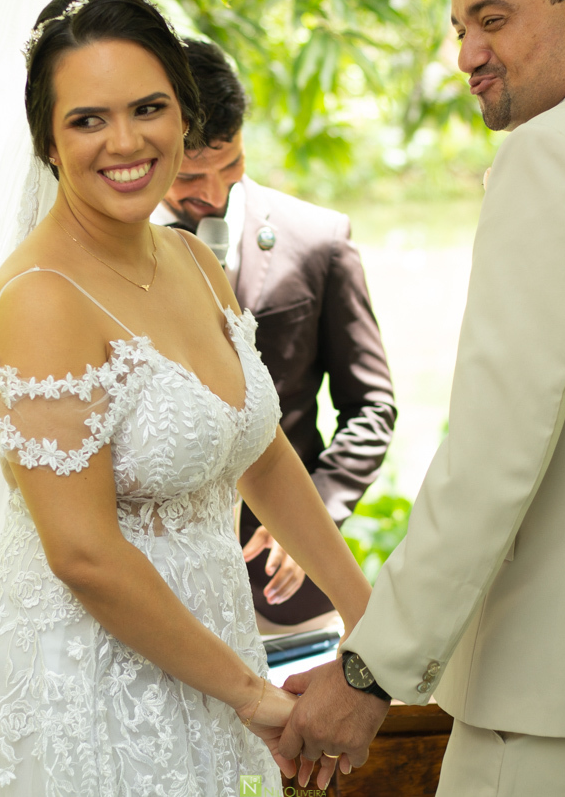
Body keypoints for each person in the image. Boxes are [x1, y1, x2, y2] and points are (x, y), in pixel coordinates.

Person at [0, 0, 372, 796]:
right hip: (99, 690)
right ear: (47, 141)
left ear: (183, 114)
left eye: (147, 107)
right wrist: (254, 697)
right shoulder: (41, 299)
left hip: (213, 659)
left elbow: (259, 451)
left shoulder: (192, 261)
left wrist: (369, 615)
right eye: (87, 119)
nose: (124, 141)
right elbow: (84, 555)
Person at [278, 0, 565, 794]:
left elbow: (497, 448)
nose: (467, 56)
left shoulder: (553, 155)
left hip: (545, 712)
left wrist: (371, 668)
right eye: (459, 27)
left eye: (493, 20)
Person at [154, 40, 396, 632]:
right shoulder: (105, 260)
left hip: (288, 589)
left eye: (230, 167)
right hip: (158, 590)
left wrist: (315, 512)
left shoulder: (319, 238)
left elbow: (372, 407)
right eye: (189, 176)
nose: (212, 194)